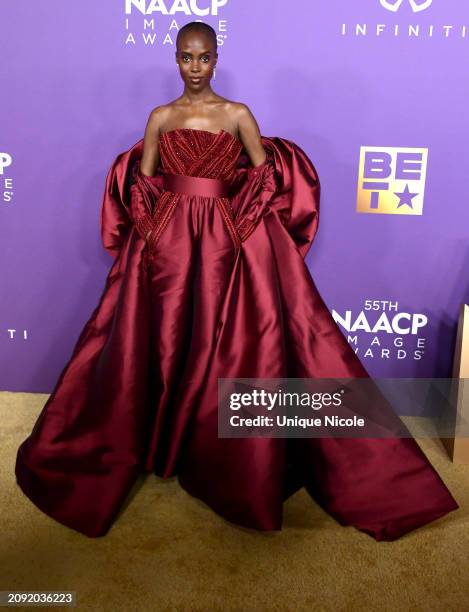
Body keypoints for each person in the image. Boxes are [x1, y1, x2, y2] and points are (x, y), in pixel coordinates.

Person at [15, 21, 458, 540]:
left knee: (226, 341)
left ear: (217, 58)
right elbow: (146, 176)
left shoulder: (237, 114)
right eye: (186, 58)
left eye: (203, 58)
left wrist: (238, 222)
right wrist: (155, 225)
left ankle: (215, 450)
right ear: (175, 60)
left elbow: (265, 173)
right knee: (154, 338)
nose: (195, 67)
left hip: (225, 244)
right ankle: (156, 438)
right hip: (168, 245)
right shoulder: (160, 117)